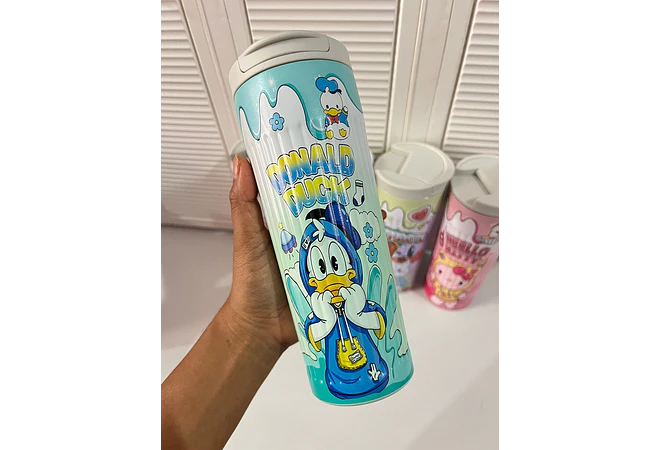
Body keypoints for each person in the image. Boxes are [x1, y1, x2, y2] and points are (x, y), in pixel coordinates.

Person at [160, 156, 392, 449]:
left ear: (350, 265)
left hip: (374, 365)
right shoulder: (321, 307)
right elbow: (316, 335)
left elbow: (377, 323)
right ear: (311, 279)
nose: (332, 277)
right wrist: (327, 319)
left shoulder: (355, 297)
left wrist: (356, 312)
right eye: (322, 269)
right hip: (337, 374)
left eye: (337, 264)